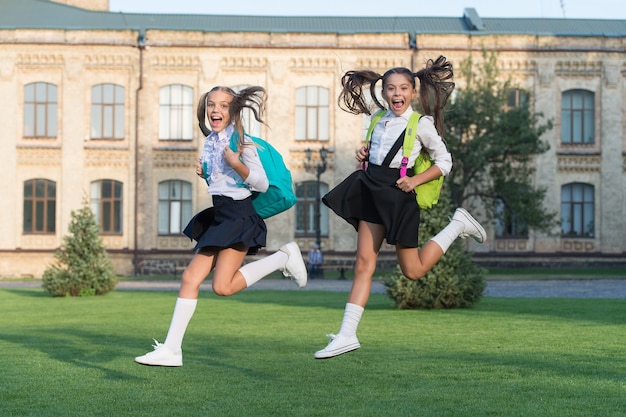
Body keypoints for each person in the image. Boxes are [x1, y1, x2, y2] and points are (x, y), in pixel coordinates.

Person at [315, 56, 486, 359]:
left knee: (414, 271)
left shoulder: (421, 124)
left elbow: (445, 162)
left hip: (398, 196)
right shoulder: (377, 119)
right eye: (391, 88)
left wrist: (416, 180)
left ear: (413, 92)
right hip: (371, 189)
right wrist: (365, 153)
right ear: (383, 93)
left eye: (403, 88)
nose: (396, 94)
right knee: (363, 264)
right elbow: (377, 153)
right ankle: (346, 334)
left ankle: (457, 224)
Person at [135, 86, 307, 367]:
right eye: (212, 105)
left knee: (195, 278)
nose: (216, 110)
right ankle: (282, 257)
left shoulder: (242, 143)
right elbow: (225, 185)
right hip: (222, 216)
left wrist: (236, 163)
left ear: (234, 110)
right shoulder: (212, 141)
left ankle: (172, 349)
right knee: (221, 286)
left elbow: (261, 183)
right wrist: (207, 173)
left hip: (239, 218)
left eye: (224, 105)